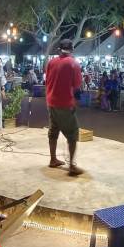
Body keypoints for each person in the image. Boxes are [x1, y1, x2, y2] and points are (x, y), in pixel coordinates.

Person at [45, 39, 84, 176]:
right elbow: (77, 87)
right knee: (72, 134)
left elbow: (47, 80)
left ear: (59, 49)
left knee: (53, 130)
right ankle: (72, 166)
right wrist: (75, 102)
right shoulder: (73, 63)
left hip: (51, 101)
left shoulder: (51, 62)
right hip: (65, 103)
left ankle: (53, 159)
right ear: (72, 49)